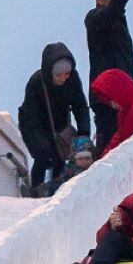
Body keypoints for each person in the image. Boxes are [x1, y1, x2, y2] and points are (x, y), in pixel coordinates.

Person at [16, 42, 90, 193]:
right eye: (58, 75)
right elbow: (31, 119)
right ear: (50, 73)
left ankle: (55, 193)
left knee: (59, 159)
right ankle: (35, 191)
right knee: (43, 158)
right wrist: (41, 145)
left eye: (67, 74)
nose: (63, 78)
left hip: (59, 127)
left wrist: (83, 133)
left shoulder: (73, 79)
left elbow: (80, 105)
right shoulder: (36, 82)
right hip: (35, 126)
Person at [86, 0, 133, 149]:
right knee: (108, 142)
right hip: (106, 95)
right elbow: (111, 12)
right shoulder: (94, 17)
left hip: (122, 92)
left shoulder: (117, 21)